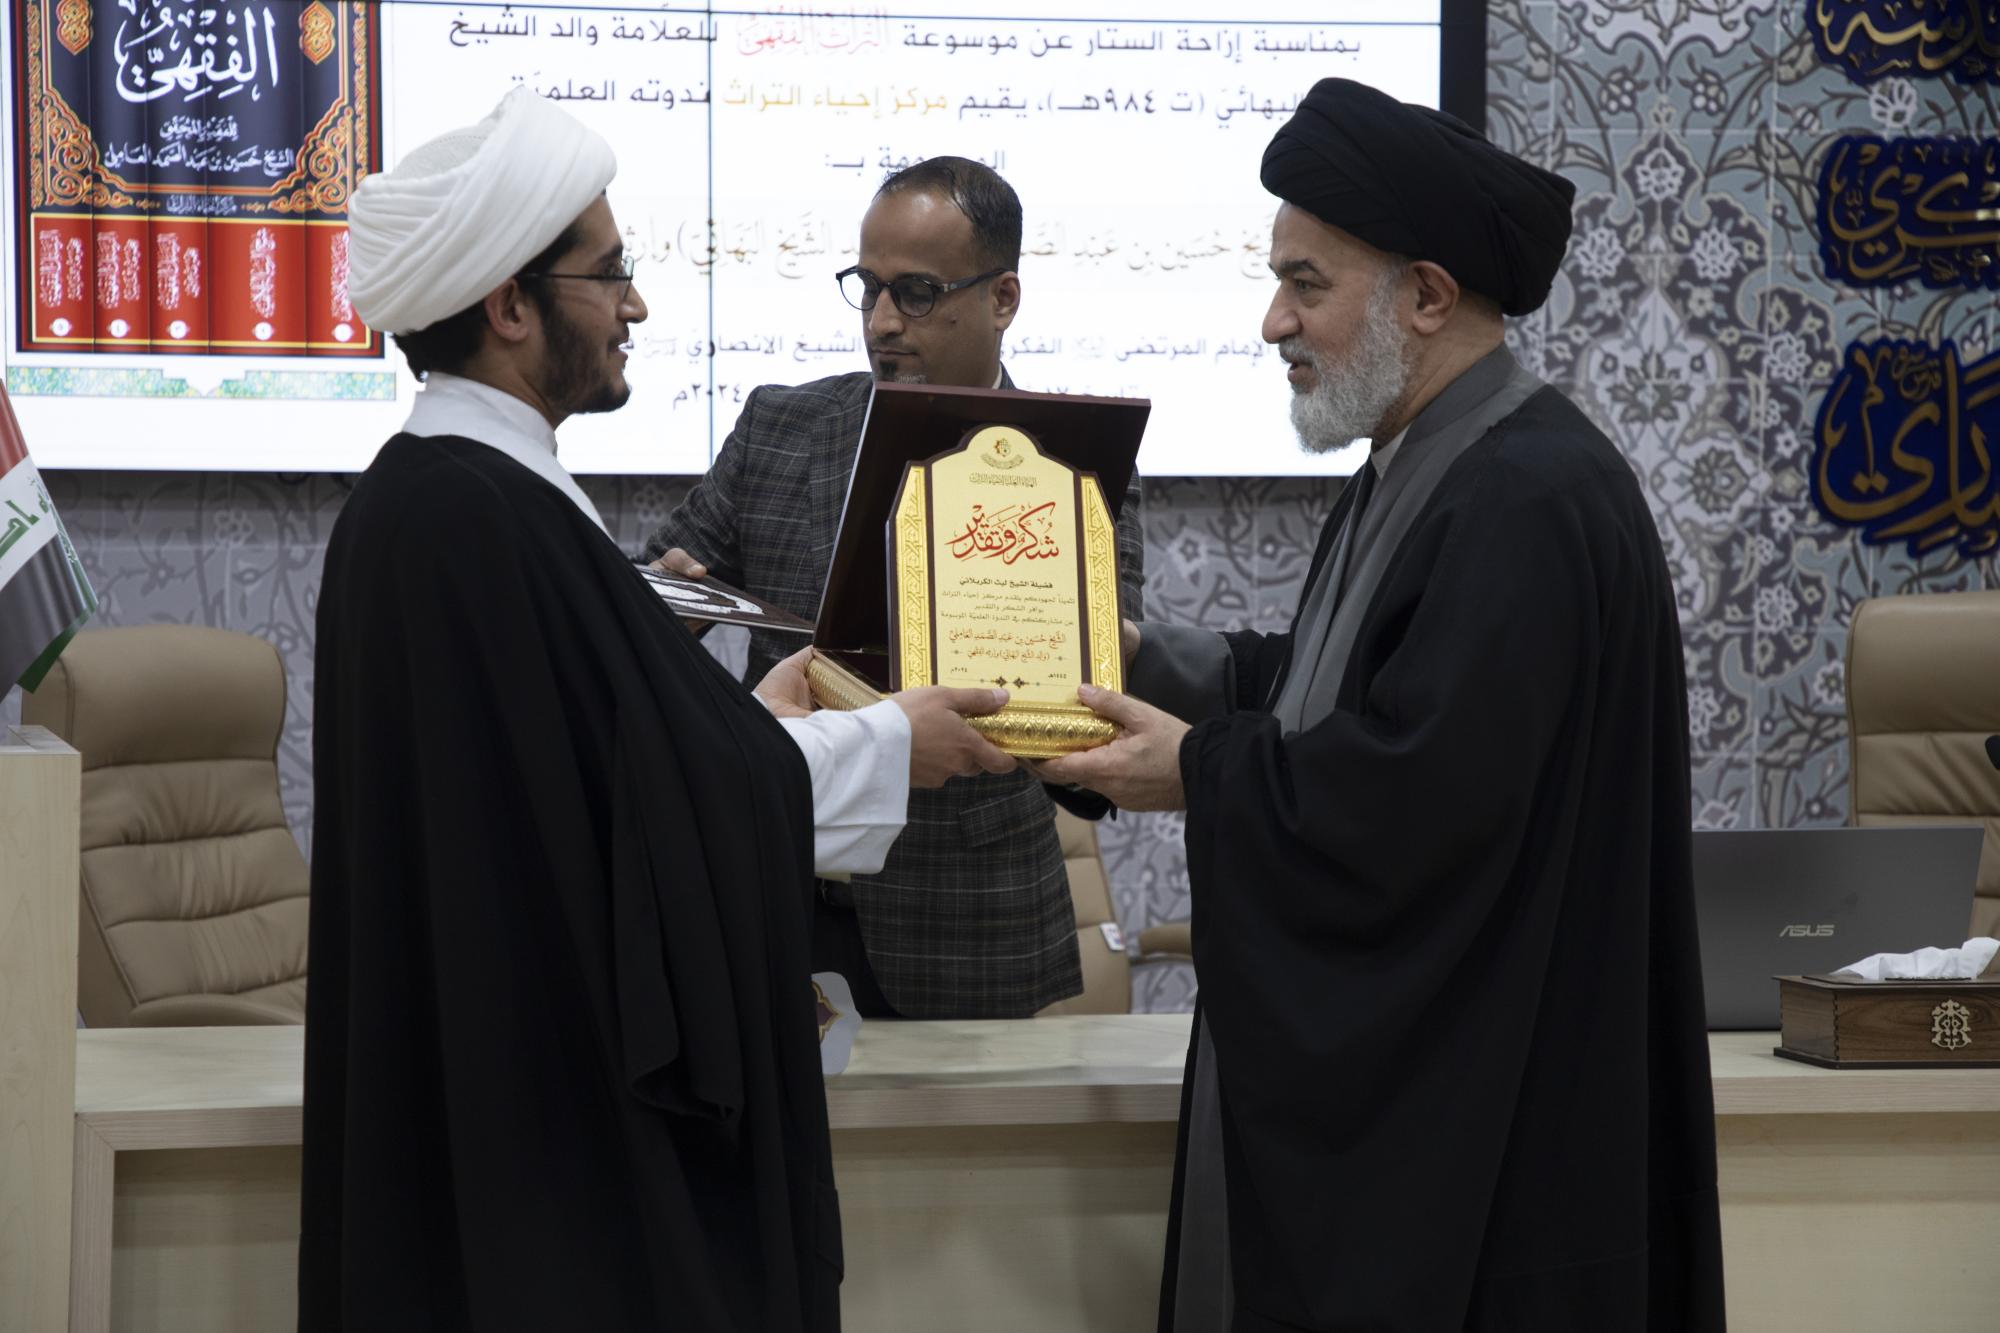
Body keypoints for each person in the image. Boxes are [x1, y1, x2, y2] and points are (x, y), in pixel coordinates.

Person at [304, 88, 1016, 1331]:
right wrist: (892, 740)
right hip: (547, 1140)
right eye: (609, 271)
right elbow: (662, 813)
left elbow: (611, 777)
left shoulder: (464, 500)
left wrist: (751, 727)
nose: (633, 305)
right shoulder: (475, 521)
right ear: (510, 306)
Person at [1041, 79, 1726, 1331]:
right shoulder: (1423, 459)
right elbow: (1335, 686)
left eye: (1304, 284)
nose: (1272, 321)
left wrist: (1199, 771)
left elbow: (1420, 795)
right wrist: (1133, 662)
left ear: (1424, 296)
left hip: (1493, 1132)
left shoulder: (1525, 495)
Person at [645, 157, 1146, 1020]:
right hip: (775, 890)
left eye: (916, 293)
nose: (881, 322)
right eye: (868, 288)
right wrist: (665, 609)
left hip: (964, 918)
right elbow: (655, 597)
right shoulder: (780, 426)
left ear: (1003, 298)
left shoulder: (1071, 462)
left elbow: (1098, 684)